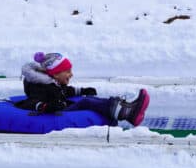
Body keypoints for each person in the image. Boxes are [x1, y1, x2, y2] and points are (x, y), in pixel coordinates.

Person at [15, 52, 150, 126]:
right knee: (86, 103)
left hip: (62, 107)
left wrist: (82, 90)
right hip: (58, 112)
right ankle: (125, 112)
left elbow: (66, 91)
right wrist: (45, 106)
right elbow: (29, 102)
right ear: (55, 74)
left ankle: (125, 108)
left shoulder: (53, 84)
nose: (71, 74)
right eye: (67, 71)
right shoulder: (40, 87)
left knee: (88, 99)